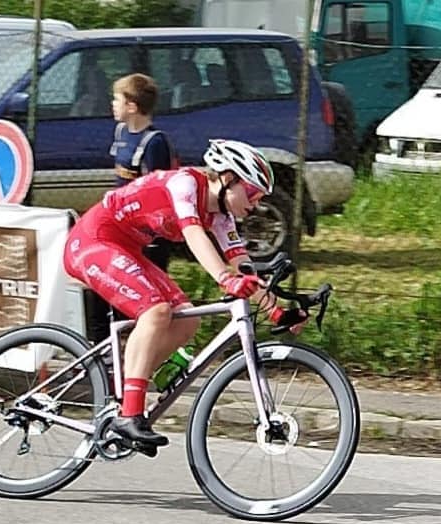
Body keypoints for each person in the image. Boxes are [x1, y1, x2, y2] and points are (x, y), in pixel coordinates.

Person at [63, 139, 307, 453]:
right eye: (251, 192)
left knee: (186, 320)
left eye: (260, 197)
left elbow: (243, 267)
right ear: (227, 178)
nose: (255, 203)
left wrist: (277, 312)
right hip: (92, 241)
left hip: (125, 249)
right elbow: (193, 234)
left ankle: (123, 385)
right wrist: (224, 279)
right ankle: (130, 413)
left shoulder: (221, 217)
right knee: (156, 312)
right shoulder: (185, 184)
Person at [86, 73, 175, 344]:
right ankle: (101, 346)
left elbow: (156, 191)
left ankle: (143, 347)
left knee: (144, 296)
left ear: (132, 106)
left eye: (117, 100)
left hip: (144, 234)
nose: (112, 105)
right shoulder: (121, 132)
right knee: (103, 285)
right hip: (119, 225)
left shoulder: (154, 142)